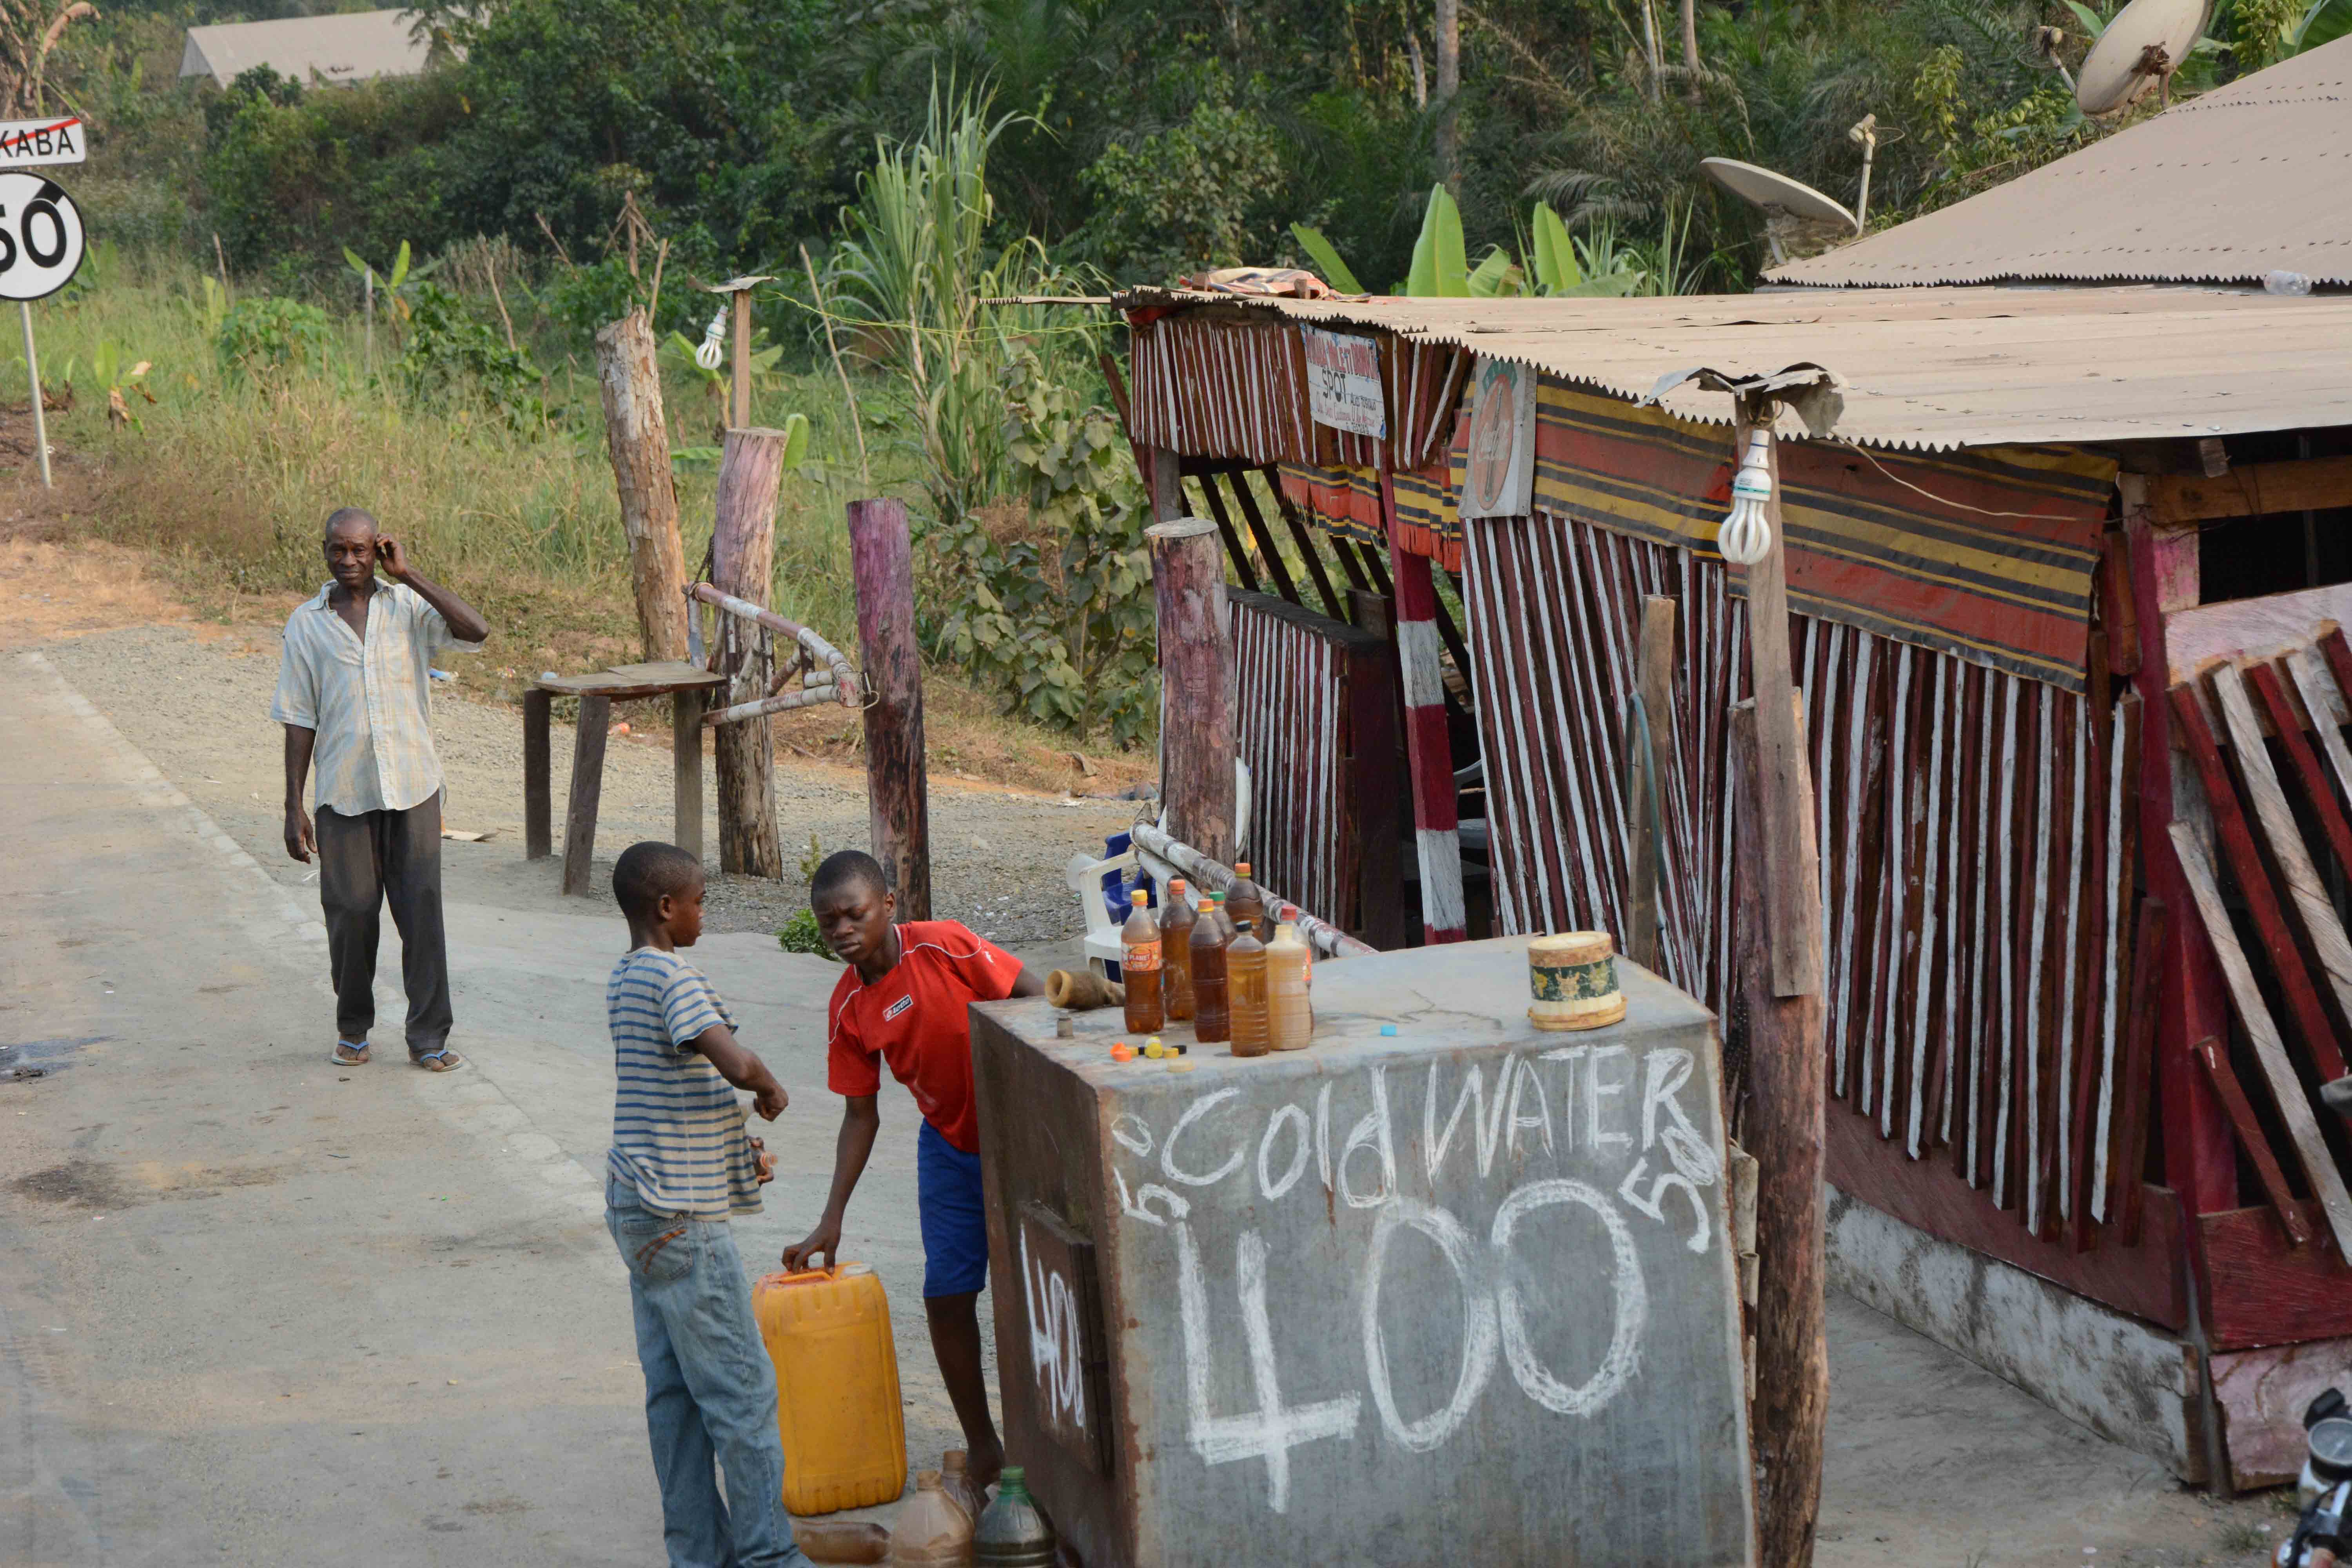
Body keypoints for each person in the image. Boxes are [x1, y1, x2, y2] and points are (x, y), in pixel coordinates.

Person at [782, 851, 1044, 1492]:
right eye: (828, 922)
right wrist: (831, 1218)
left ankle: (1056, 1441)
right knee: (946, 1297)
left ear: (889, 906)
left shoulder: (944, 946)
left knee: (1039, 1288)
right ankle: (984, 1448)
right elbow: (860, 1116)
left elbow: (1035, 996)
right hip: (950, 1147)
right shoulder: (848, 1007)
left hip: (1022, 1138)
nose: (842, 930)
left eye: (854, 914)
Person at [605, 840, 808, 1568]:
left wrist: (735, 1149)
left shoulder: (625, 976)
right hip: (681, 1220)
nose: (703, 915)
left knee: (676, 1396)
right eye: (699, 903)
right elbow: (733, 1062)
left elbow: (670, 1093)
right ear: (667, 908)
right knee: (742, 1394)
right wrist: (769, 1086)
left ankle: (698, 1555)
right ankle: (769, 1556)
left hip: (636, 1203)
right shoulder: (673, 975)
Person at [272, 507, 488, 1071]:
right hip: (344, 792)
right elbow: (298, 716)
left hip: (413, 788)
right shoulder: (307, 623)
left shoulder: (408, 607)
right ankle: (353, 1028)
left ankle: (429, 1037)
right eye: (338, 550)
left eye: (360, 550)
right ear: (324, 551)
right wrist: (294, 804)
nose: (349, 560)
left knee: (421, 915)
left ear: (379, 551)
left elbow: (477, 631)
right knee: (350, 914)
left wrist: (409, 574)